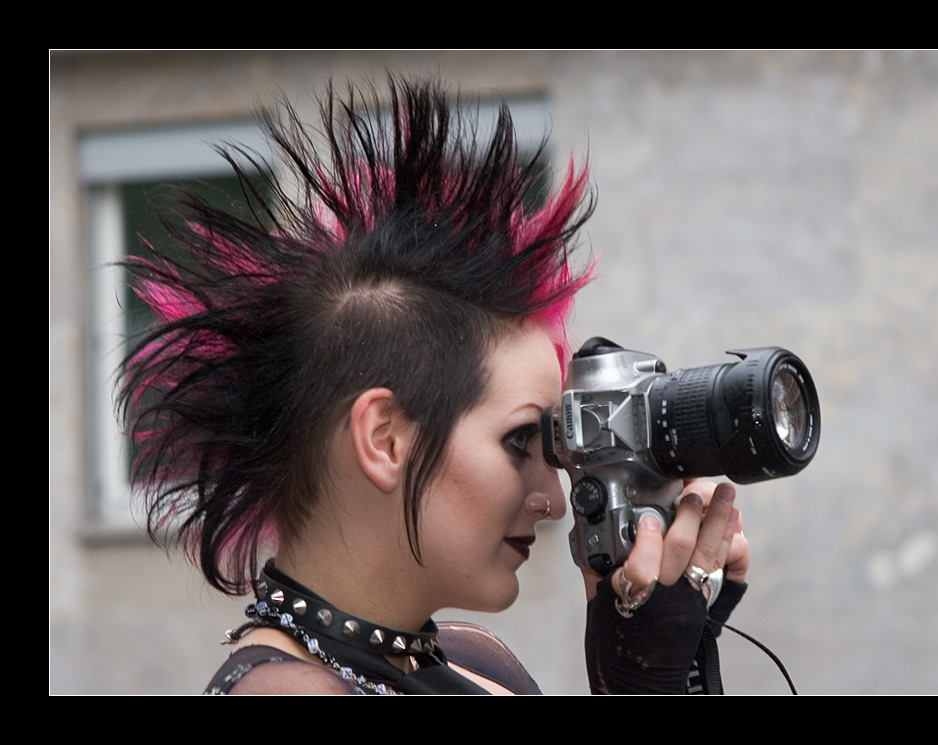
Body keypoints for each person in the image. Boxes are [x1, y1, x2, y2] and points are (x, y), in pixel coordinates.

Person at [118, 77, 750, 695]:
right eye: (519, 442)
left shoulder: (482, 662)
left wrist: (668, 664)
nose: (555, 501)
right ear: (385, 439)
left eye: (552, 450)